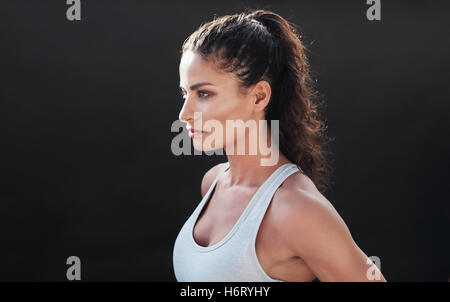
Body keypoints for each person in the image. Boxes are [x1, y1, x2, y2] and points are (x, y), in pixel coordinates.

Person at [172, 9, 386, 282]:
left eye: (203, 93)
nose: (184, 113)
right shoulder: (212, 182)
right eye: (184, 92)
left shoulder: (295, 209)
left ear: (259, 96)